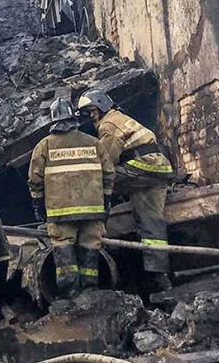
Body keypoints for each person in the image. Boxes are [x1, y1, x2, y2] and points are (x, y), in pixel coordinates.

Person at [77, 89, 175, 292]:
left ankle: (93, 226)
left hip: (143, 168)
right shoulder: (120, 118)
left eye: (92, 110)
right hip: (159, 170)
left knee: (98, 178)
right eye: (88, 113)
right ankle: (159, 277)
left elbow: (105, 161)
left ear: (102, 105)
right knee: (151, 223)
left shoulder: (108, 124)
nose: (91, 116)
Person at [28, 97, 115, 296]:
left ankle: (71, 295)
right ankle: (91, 293)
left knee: (64, 250)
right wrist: (106, 199)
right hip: (92, 211)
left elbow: (34, 180)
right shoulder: (93, 143)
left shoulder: (44, 146)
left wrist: (39, 204)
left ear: (53, 121)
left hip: (60, 214)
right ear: (73, 118)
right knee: (90, 249)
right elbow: (109, 174)